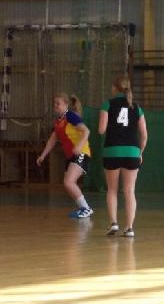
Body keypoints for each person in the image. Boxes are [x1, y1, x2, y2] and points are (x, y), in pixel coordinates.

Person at [98, 75, 148, 238]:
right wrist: (140, 152)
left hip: (112, 150)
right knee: (129, 191)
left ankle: (113, 223)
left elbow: (101, 130)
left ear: (115, 88)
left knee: (112, 190)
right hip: (132, 152)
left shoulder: (108, 104)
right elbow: (144, 135)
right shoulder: (136, 107)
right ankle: (129, 228)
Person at [37, 93, 93, 219]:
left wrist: (79, 146)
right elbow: (52, 140)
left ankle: (86, 208)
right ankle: (83, 208)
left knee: (69, 182)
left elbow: (86, 131)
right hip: (71, 156)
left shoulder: (71, 116)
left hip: (82, 153)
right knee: (68, 183)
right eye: (54, 103)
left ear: (66, 104)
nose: (55, 105)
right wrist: (43, 155)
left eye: (58, 103)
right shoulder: (59, 121)